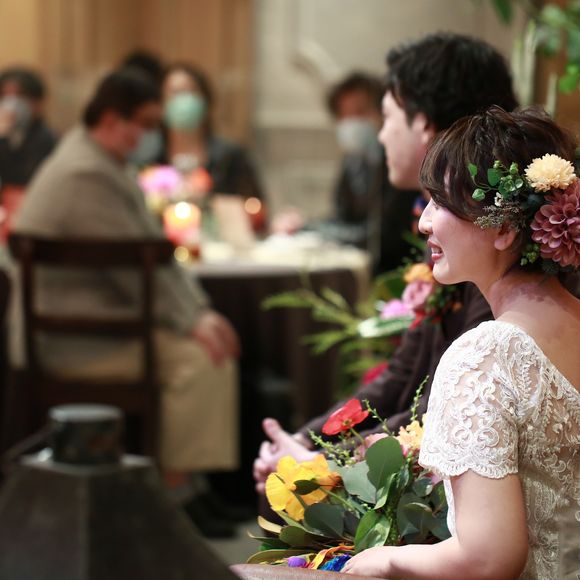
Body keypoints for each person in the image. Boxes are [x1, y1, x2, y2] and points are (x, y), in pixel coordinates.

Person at [253, 33, 520, 492]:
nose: (379, 135)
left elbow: (442, 408)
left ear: (425, 124)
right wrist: (307, 441)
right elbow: (402, 373)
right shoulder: (457, 234)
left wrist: (326, 462)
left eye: (387, 117)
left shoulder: (490, 246)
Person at [343, 106, 580, 579]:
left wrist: (382, 560)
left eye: (441, 203)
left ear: (505, 228)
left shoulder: (486, 356)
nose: (424, 222)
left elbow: (487, 557)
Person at [11, 69, 241, 536]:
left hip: (93, 326)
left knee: (205, 344)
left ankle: (192, 486)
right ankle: (179, 496)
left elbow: (153, 255)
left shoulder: (97, 160)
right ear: (113, 119)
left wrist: (198, 312)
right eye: (146, 123)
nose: (152, 135)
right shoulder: (86, 173)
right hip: (71, 341)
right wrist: (192, 321)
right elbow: (133, 271)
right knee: (200, 359)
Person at [325, 71, 416, 272]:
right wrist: (307, 227)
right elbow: (340, 216)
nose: (351, 122)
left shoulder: (397, 161)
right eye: (343, 115)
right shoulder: (351, 161)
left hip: (396, 269)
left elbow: (386, 234)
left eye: (359, 112)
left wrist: (323, 233)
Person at [160, 63, 266, 218]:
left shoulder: (231, 157)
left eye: (190, 91)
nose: (183, 100)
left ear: (205, 99)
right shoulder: (146, 157)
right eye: (175, 92)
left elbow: (256, 208)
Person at [0, 67, 57, 240]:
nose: (11, 103)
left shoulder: (47, 139)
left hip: (30, 221)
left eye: (19, 96)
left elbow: (26, 179)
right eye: (5, 96)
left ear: (37, 103)